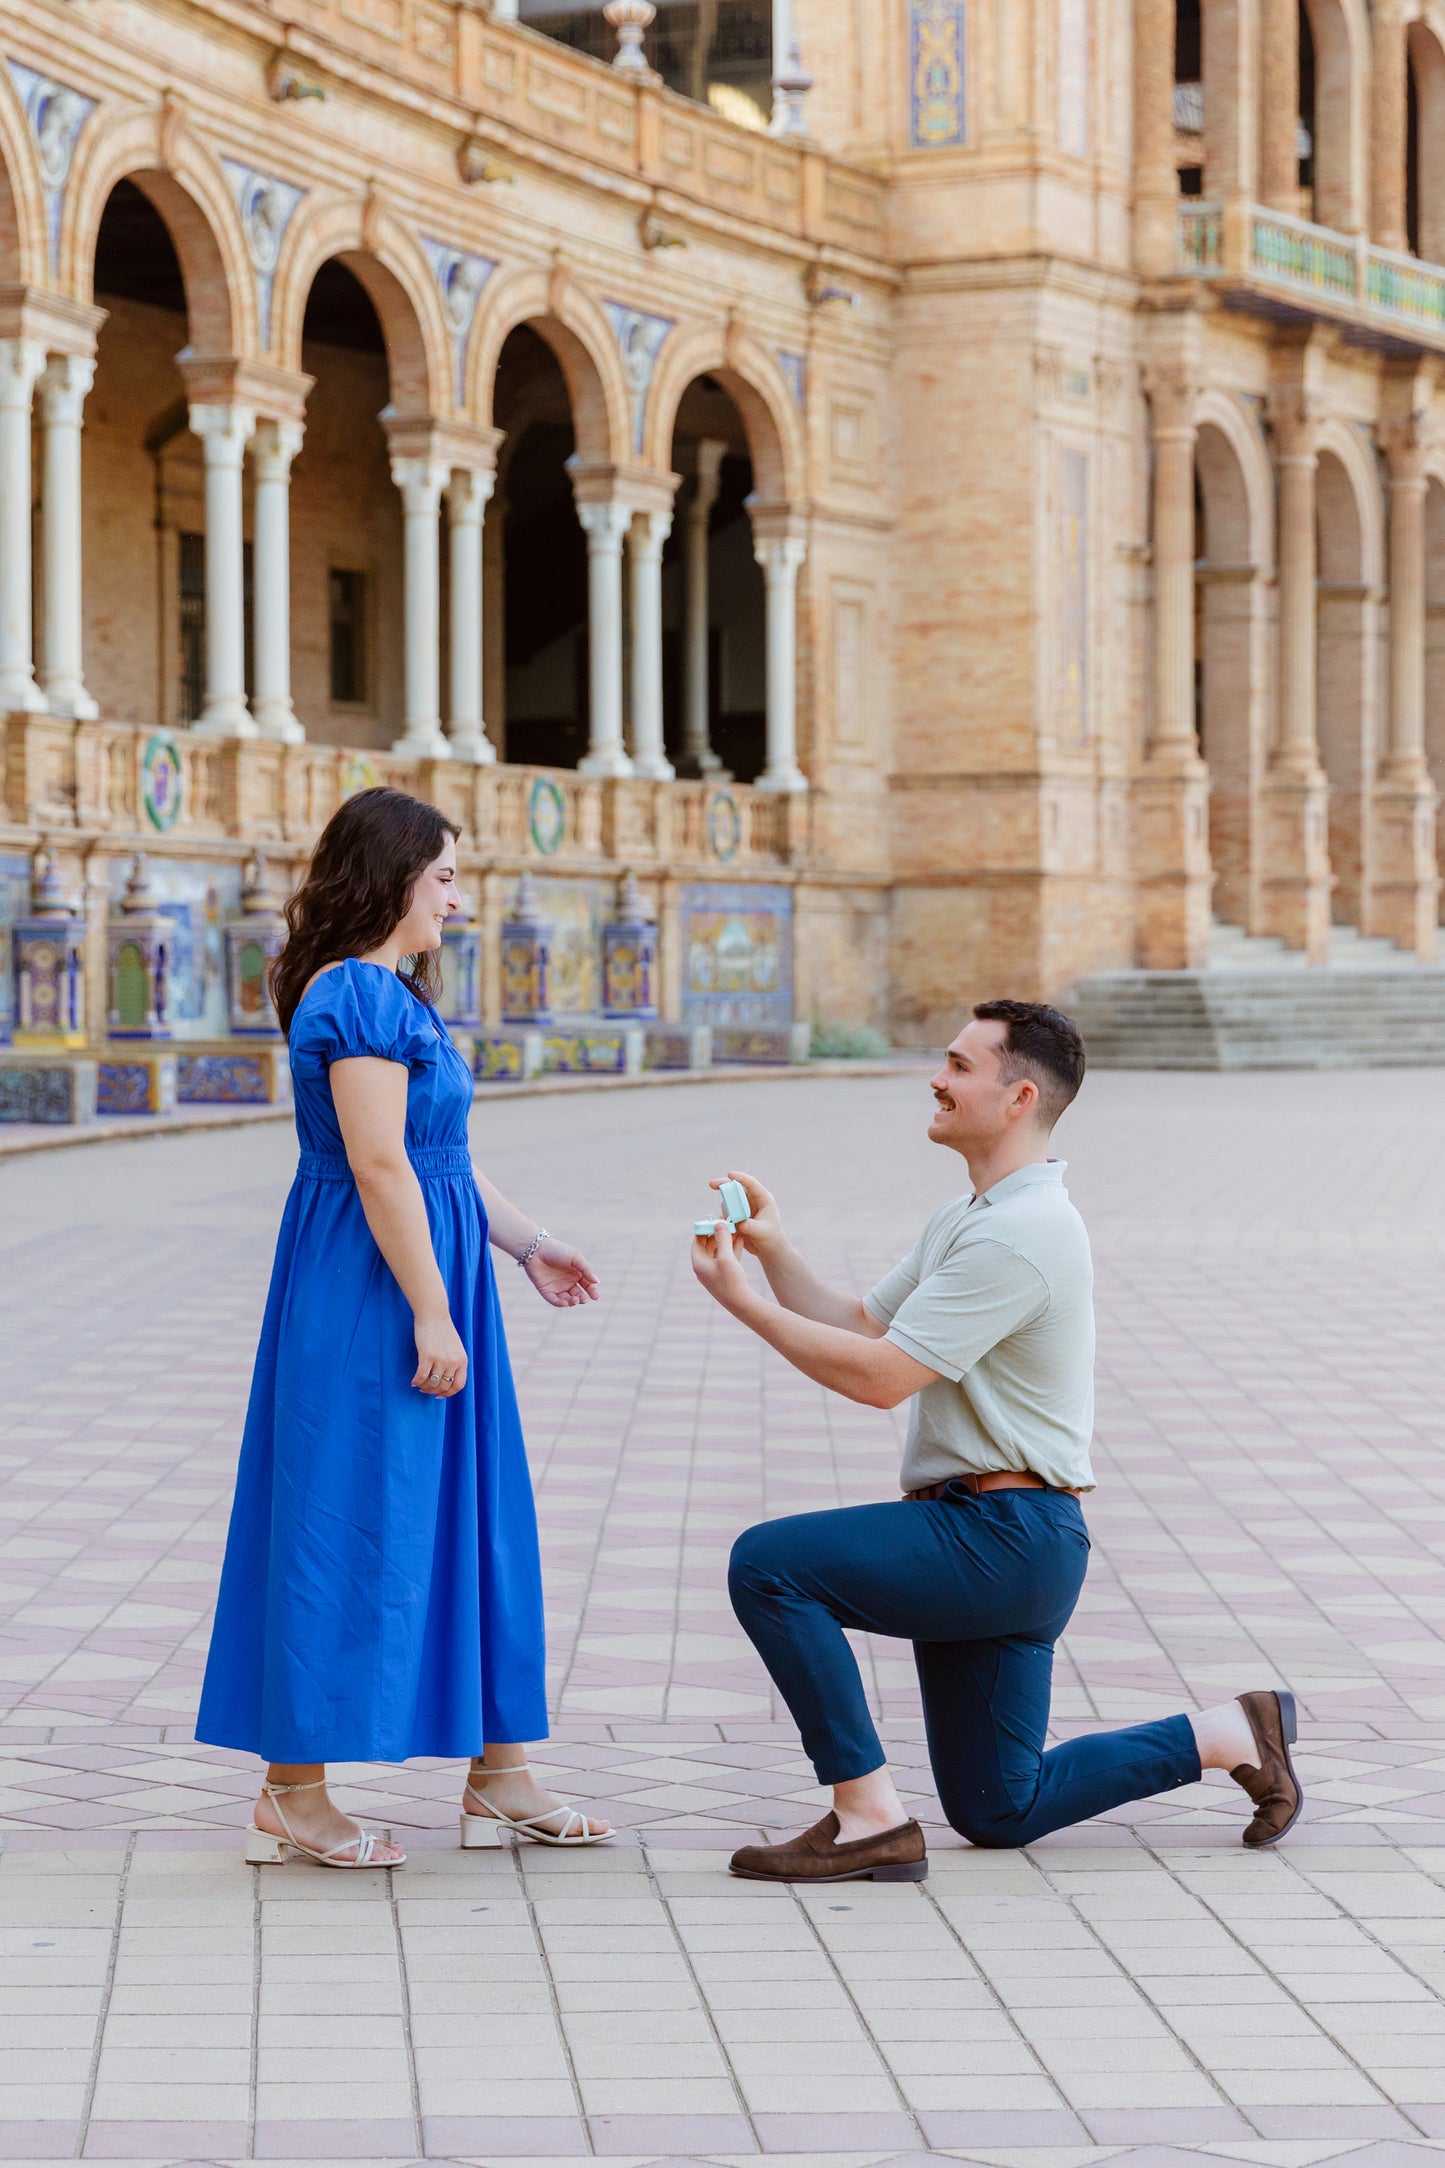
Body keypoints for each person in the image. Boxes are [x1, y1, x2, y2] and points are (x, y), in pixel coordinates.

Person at [691, 999, 1302, 1883]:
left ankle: (865, 1816)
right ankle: (1230, 1733)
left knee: (768, 1564)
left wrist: (739, 1301)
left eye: (958, 1065)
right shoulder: (975, 1215)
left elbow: (879, 1379)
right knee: (997, 1807)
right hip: (1010, 1541)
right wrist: (776, 1252)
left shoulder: (1019, 1235)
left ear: (1017, 1098)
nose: (935, 1079)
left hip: (999, 1539)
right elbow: (861, 1324)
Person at [197, 788, 612, 1867]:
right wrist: (431, 1303)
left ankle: (502, 1773)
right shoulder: (356, 997)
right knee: (339, 1514)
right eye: (444, 876)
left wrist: (528, 1244)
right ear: (389, 878)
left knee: (476, 1515)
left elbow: (443, 1165)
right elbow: (378, 1165)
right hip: (370, 1291)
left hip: (429, 1272)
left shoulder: (395, 996)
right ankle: (291, 1791)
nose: (457, 898)